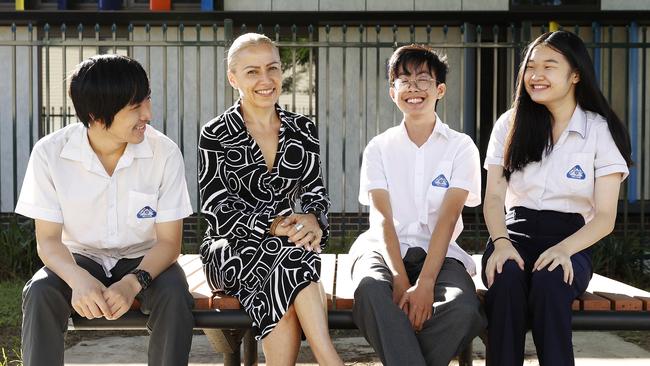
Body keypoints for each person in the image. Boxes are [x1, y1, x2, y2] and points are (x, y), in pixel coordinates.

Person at [16, 54, 195, 366]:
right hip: (79, 256)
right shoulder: (49, 154)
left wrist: (133, 282)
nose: (148, 114)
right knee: (40, 291)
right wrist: (77, 279)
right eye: (135, 107)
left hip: (145, 257)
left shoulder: (164, 152)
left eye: (147, 100)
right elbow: (48, 241)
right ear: (97, 115)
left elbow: (169, 242)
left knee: (175, 294)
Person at [482, 31, 632, 366]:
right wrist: (501, 243)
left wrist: (564, 249)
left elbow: (605, 217)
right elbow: (493, 198)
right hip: (513, 233)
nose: (536, 75)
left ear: (575, 74)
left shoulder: (598, 129)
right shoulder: (509, 124)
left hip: (570, 240)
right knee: (505, 282)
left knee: (551, 284)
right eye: (531, 66)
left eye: (549, 66)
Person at [198, 33, 343, 365]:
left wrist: (313, 221)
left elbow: (316, 192)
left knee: (289, 262)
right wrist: (273, 225)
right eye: (252, 72)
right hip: (230, 247)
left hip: (289, 244)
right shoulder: (216, 132)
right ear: (233, 78)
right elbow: (217, 209)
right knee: (293, 258)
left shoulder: (303, 128)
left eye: (272, 68)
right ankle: (328, 358)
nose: (266, 80)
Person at [349, 44, 486, 366]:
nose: (413, 87)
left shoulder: (461, 146)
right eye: (403, 79)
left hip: (440, 251)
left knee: (464, 308)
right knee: (371, 292)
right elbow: (382, 218)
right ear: (391, 92)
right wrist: (399, 279)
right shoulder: (378, 148)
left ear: (440, 89)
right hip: (381, 249)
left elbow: (449, 217)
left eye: (423, 79)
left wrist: (424, 284)